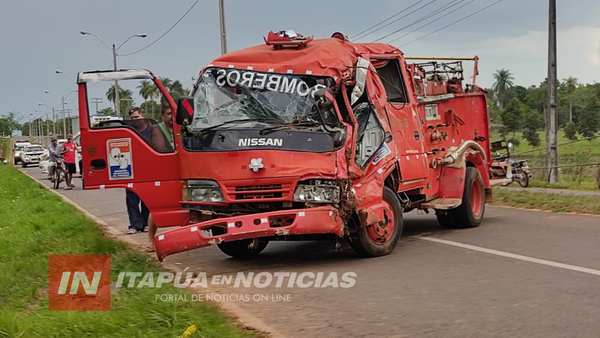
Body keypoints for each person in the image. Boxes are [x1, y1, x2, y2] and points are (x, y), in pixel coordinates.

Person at [146, 103, 175, 251]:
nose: (172, 116)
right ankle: (151, 241)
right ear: (162, 116)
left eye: (174, 113)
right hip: (163, 172)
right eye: (169, 113)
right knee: (158, 208)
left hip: (179, 170)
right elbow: (160, 148)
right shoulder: (157, 129)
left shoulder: (180, 127)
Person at [126, 107, 152, 234]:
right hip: (132, 170)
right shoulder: (128, 131)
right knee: (132, 199)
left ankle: (146, 223)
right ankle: (135, 225)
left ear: (143, 116)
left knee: (147, 198)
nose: (134, 120)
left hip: (148, 170)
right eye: (132, 118)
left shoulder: (152, 130)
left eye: (136, 117)